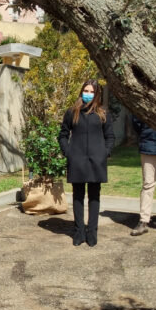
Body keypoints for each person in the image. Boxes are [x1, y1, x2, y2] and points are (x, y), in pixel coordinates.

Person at [58, 79, 114, 247]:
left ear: (97, 94)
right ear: (81, 91)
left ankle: (92, 232)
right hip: (77, 159)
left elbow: (110, 136)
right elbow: (63, 134)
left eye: (91, 91)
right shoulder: (72, 112)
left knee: (94, 196)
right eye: (85, 90)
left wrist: (105, 152)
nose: (87, 94)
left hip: (97, 160)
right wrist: (68, 152)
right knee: (78, 196)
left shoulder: (103, 113)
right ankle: (79, 231)